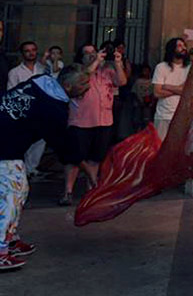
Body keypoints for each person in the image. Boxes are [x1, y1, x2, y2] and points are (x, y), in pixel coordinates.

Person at [0, 64, 90, 270]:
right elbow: (63, 145)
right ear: (67, 86)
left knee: (19, 191)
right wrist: (86, 168)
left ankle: (10, 239)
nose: (88, 88)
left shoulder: (42, 82)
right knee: (10, 196)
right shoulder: (53, 108)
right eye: (84, 84)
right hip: (4, 147)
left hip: (9, 146)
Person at [60, 43, 127, 206]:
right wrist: (96, 61)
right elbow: (82, 78)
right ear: (81, 57)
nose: (92, 55)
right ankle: (68, 192)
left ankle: (90, 191)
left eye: (94, 52)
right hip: (80, 122)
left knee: (95, 158)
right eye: (87, 53)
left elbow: (122, 82)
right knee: (74, 158)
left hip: (103, 121)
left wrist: (118, 63)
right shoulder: (75, 71)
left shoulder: (107, 71)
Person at [8, 42, 45, 178]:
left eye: (33, 50)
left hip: (41, 110)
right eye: (27, 51)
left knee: (40, 141)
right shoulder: (15, 72)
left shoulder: (43, 69)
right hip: (23, 111)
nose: (31, 53)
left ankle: (32, 168)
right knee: (23, 140)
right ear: (22, 53)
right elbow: (11, 92)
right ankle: (22, 169)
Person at [152, 38, 190, 141]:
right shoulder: (161, 67)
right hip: (163, 116)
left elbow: (187, 91)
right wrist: (179, 89)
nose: (183, 48)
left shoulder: (190, 69)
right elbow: (157, 92)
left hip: (181, 116)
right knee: (159, 146)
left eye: (184, 45)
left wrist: (166, 86)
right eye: (179, 46)